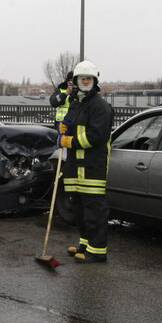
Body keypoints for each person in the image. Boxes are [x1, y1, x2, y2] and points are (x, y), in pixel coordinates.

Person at [58, 60, 113, 263]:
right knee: (79, 209)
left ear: (94, 81)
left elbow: (94, 137)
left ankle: (97, 251)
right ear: (76, 81)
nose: (86, 81)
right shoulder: (76, 103)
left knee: (95, 211)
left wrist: (69, 140)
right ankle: (85, 244)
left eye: (89, 78)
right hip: (75, 168)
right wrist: (63, 128)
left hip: (92, 168)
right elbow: (70, 125)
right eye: (83, 79)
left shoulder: (100, 107)